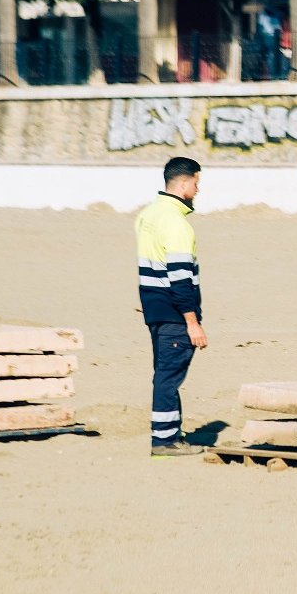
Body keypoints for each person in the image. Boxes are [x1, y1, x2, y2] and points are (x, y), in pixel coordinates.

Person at [135, 157, 208, 457]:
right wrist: (193, 322)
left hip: (155, 309)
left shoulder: (146, 216)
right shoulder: (177, 224)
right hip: (174, 314)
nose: (198, 189)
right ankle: (164, 442)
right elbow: (179, 278)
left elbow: (149, 264)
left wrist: (147, 300)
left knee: (164, 373)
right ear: (181, 183)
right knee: (168, 377)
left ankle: (170, 435)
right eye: (196, 182)